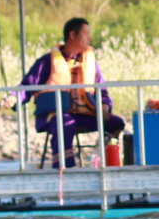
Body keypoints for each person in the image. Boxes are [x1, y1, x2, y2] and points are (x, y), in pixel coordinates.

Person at [9, 16, 125, 168]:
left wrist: (105, 107)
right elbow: (27, 86)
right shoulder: (47, 62)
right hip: (55, 117)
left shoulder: (91, 63)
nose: (90, 38)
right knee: (65, 122)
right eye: (86, 34)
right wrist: (13, 98)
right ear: (72, 35)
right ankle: (65, 169)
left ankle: (101, 158)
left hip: (85, 115)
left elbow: (102, 92)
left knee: (117, 123)